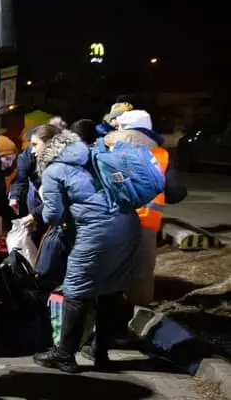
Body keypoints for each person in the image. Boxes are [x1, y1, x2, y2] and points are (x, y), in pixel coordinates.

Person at [31, 126, 140, 373]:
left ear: (50, 146)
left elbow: (53, 216)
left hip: (97, 232)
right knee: (111, 289)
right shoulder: (95, 157)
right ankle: (101, 353)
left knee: (76, 291)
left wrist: (45, 197)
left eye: (35, 145)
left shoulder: (54, 170)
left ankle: (64, 354)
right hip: (128, 227)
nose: (33, 151)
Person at [103, 110, 187, 306]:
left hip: (111, 220)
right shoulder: (161, 155)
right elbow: (175, 193)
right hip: (146, 223)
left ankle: (107, 317)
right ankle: (136, 317)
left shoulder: (107, 148)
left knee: (108, 269)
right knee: (141, 275)